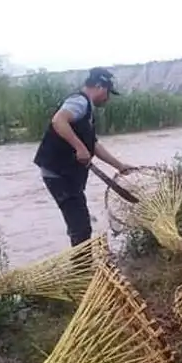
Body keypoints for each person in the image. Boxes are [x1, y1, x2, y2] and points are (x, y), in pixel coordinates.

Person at [33, 67, 139, 248]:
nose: (107, 98)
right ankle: (83, 271)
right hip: (58, 173)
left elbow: (93, 145)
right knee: (80, 227)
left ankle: (82, 266)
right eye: (107, 92)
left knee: (79, 223)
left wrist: (119, 166)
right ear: (99, 86)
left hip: (66, 173)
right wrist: (80, 148)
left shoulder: (87, 109)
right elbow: (58, 120)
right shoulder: (79, 102)